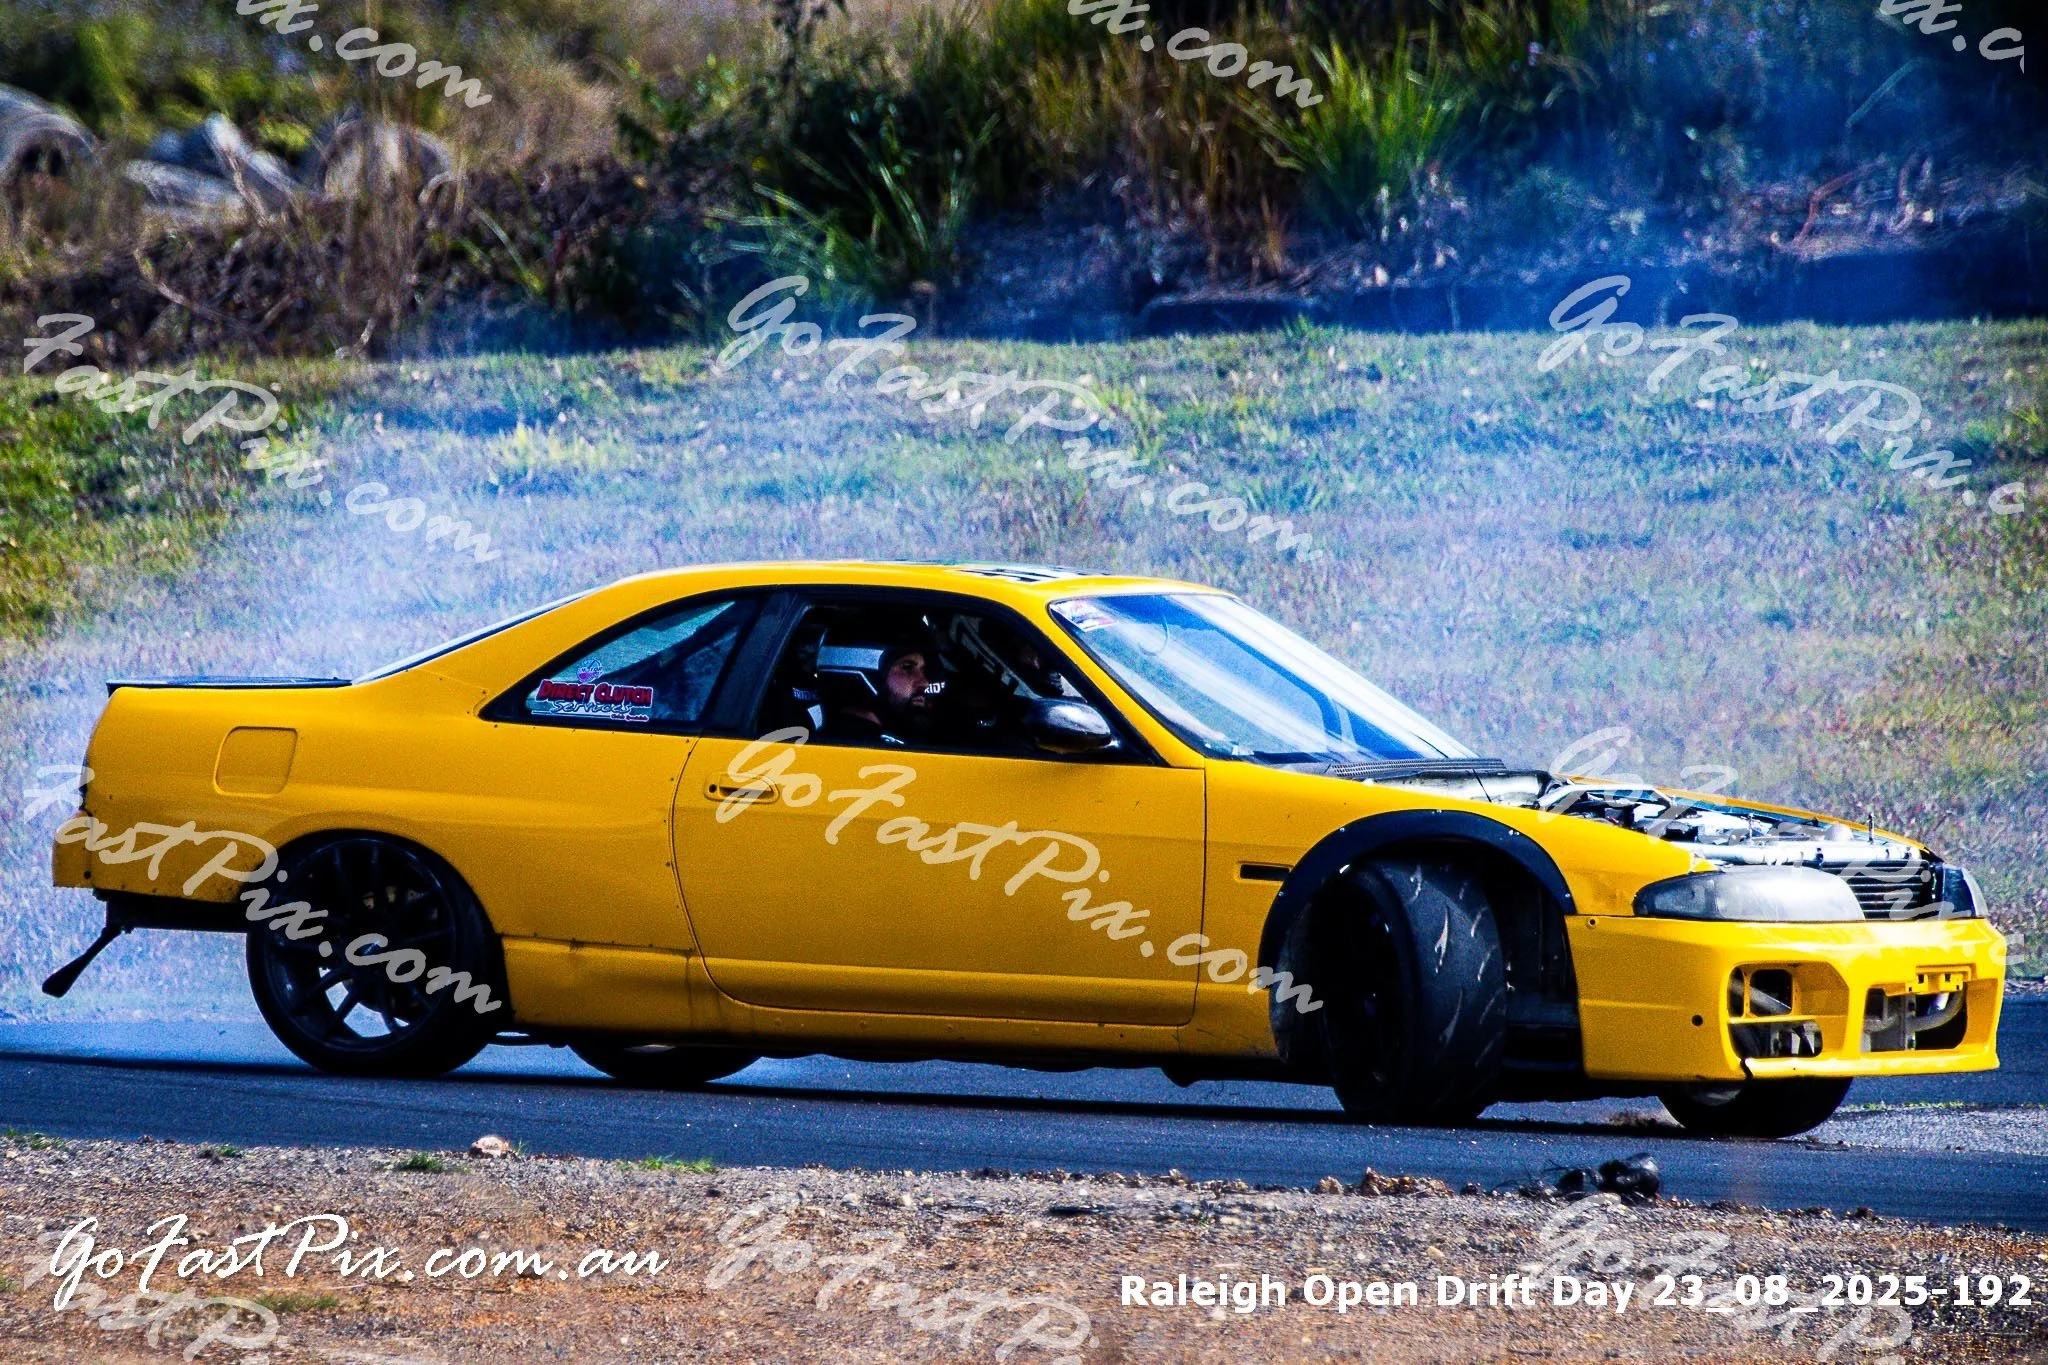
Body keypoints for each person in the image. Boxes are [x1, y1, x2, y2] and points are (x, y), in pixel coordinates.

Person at [814, 634, 944, 746]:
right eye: (907, 667)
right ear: (865, 673)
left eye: (922, 670)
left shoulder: (898, 739)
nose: (924, 683)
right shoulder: (852, 747)